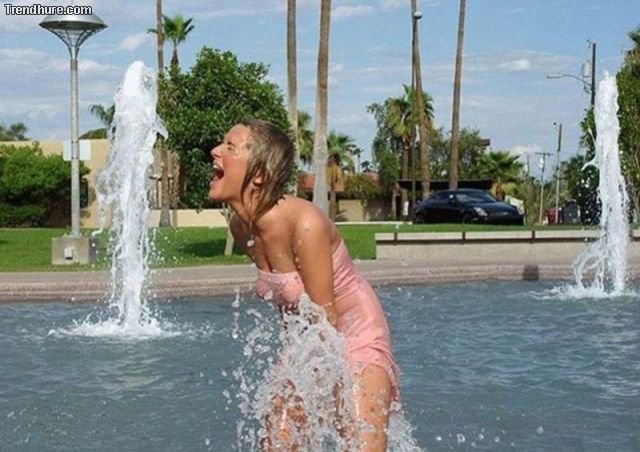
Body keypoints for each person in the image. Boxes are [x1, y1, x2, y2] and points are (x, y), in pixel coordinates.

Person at [209, 118, 399, 451]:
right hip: (308, 341)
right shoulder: (241, 228)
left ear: (259, 174)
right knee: (276, 444)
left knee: (358, 444)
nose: (215, 151)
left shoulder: (305, 222)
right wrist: (293, 375)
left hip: (353, 332)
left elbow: (326, 319)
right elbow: (293, 310)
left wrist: (317, 387)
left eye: (230, 146)